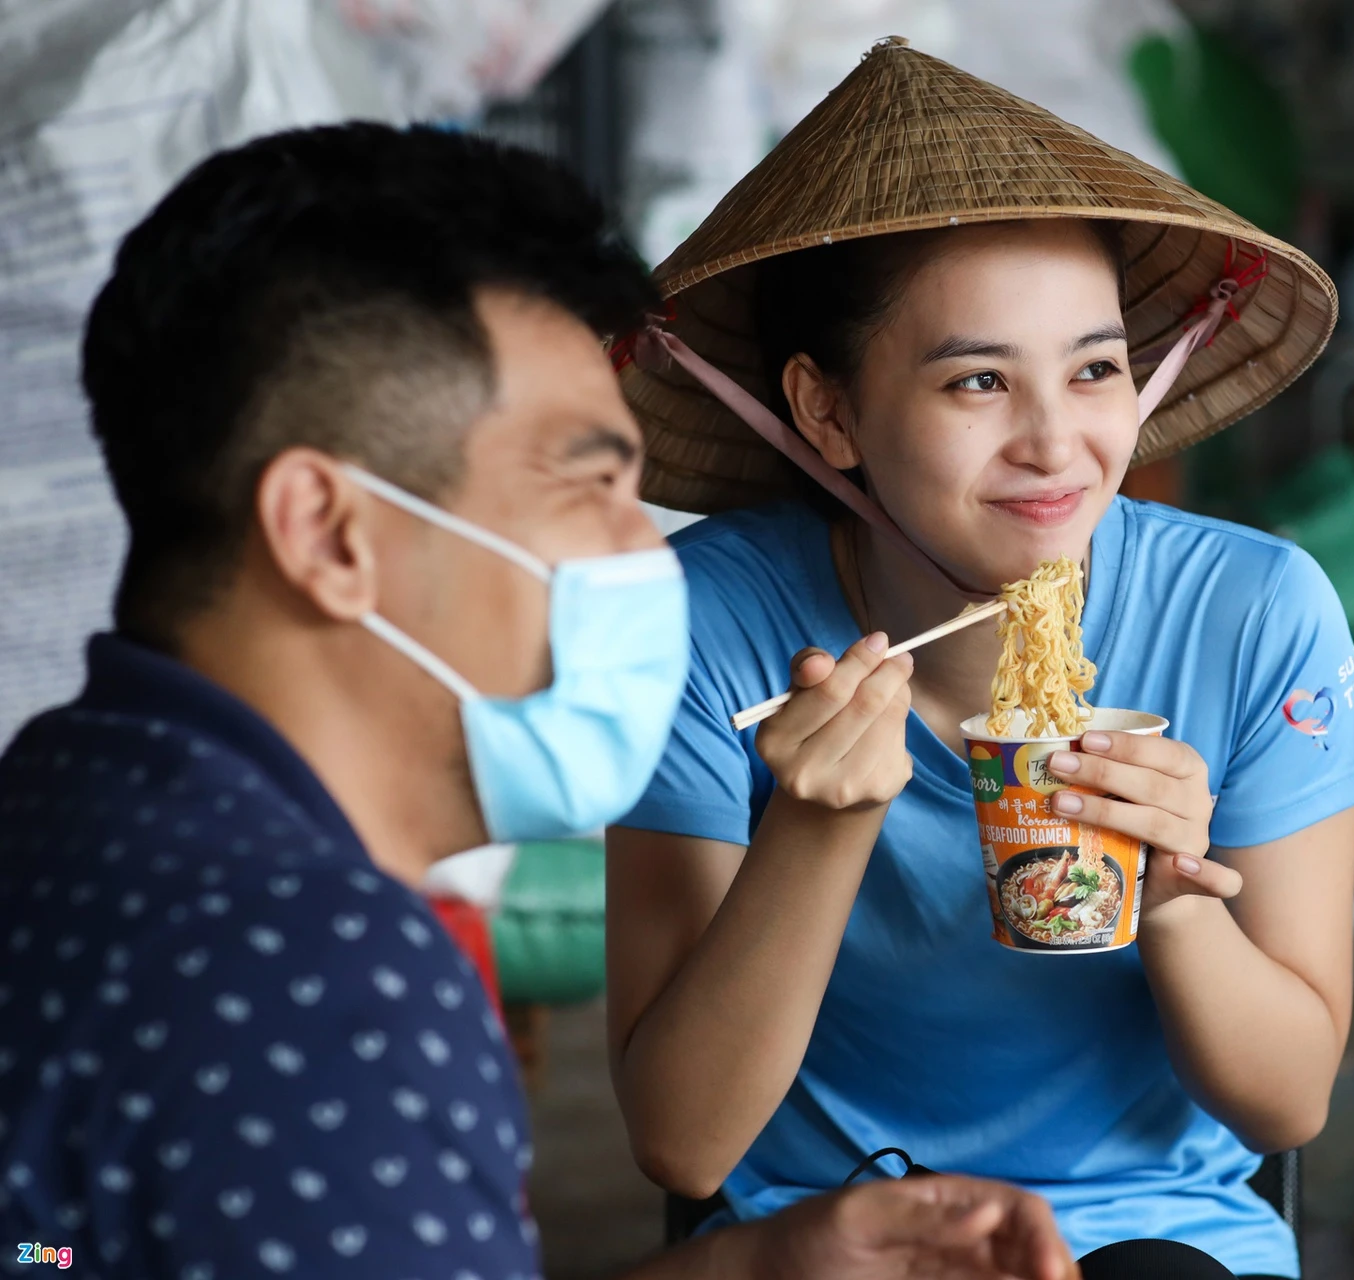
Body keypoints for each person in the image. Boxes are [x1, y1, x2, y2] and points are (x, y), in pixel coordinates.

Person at [0, 122, 1077, 1280]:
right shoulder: (314, 972)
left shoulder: (64, 789)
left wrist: (749, 1269)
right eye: (589, 484)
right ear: (329, 533)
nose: (645, 556)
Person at [606, 41, 1354, 1280]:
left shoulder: (1252, 608)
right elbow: (684, 1140)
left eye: (1094, 370)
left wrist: (1177, 893)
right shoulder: (712, 621)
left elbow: (1288, 1103)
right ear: (827, 411)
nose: (1057, 445)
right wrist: (817, 831)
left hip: (1155, 1231)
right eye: (978, 379)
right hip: (832, 1236)